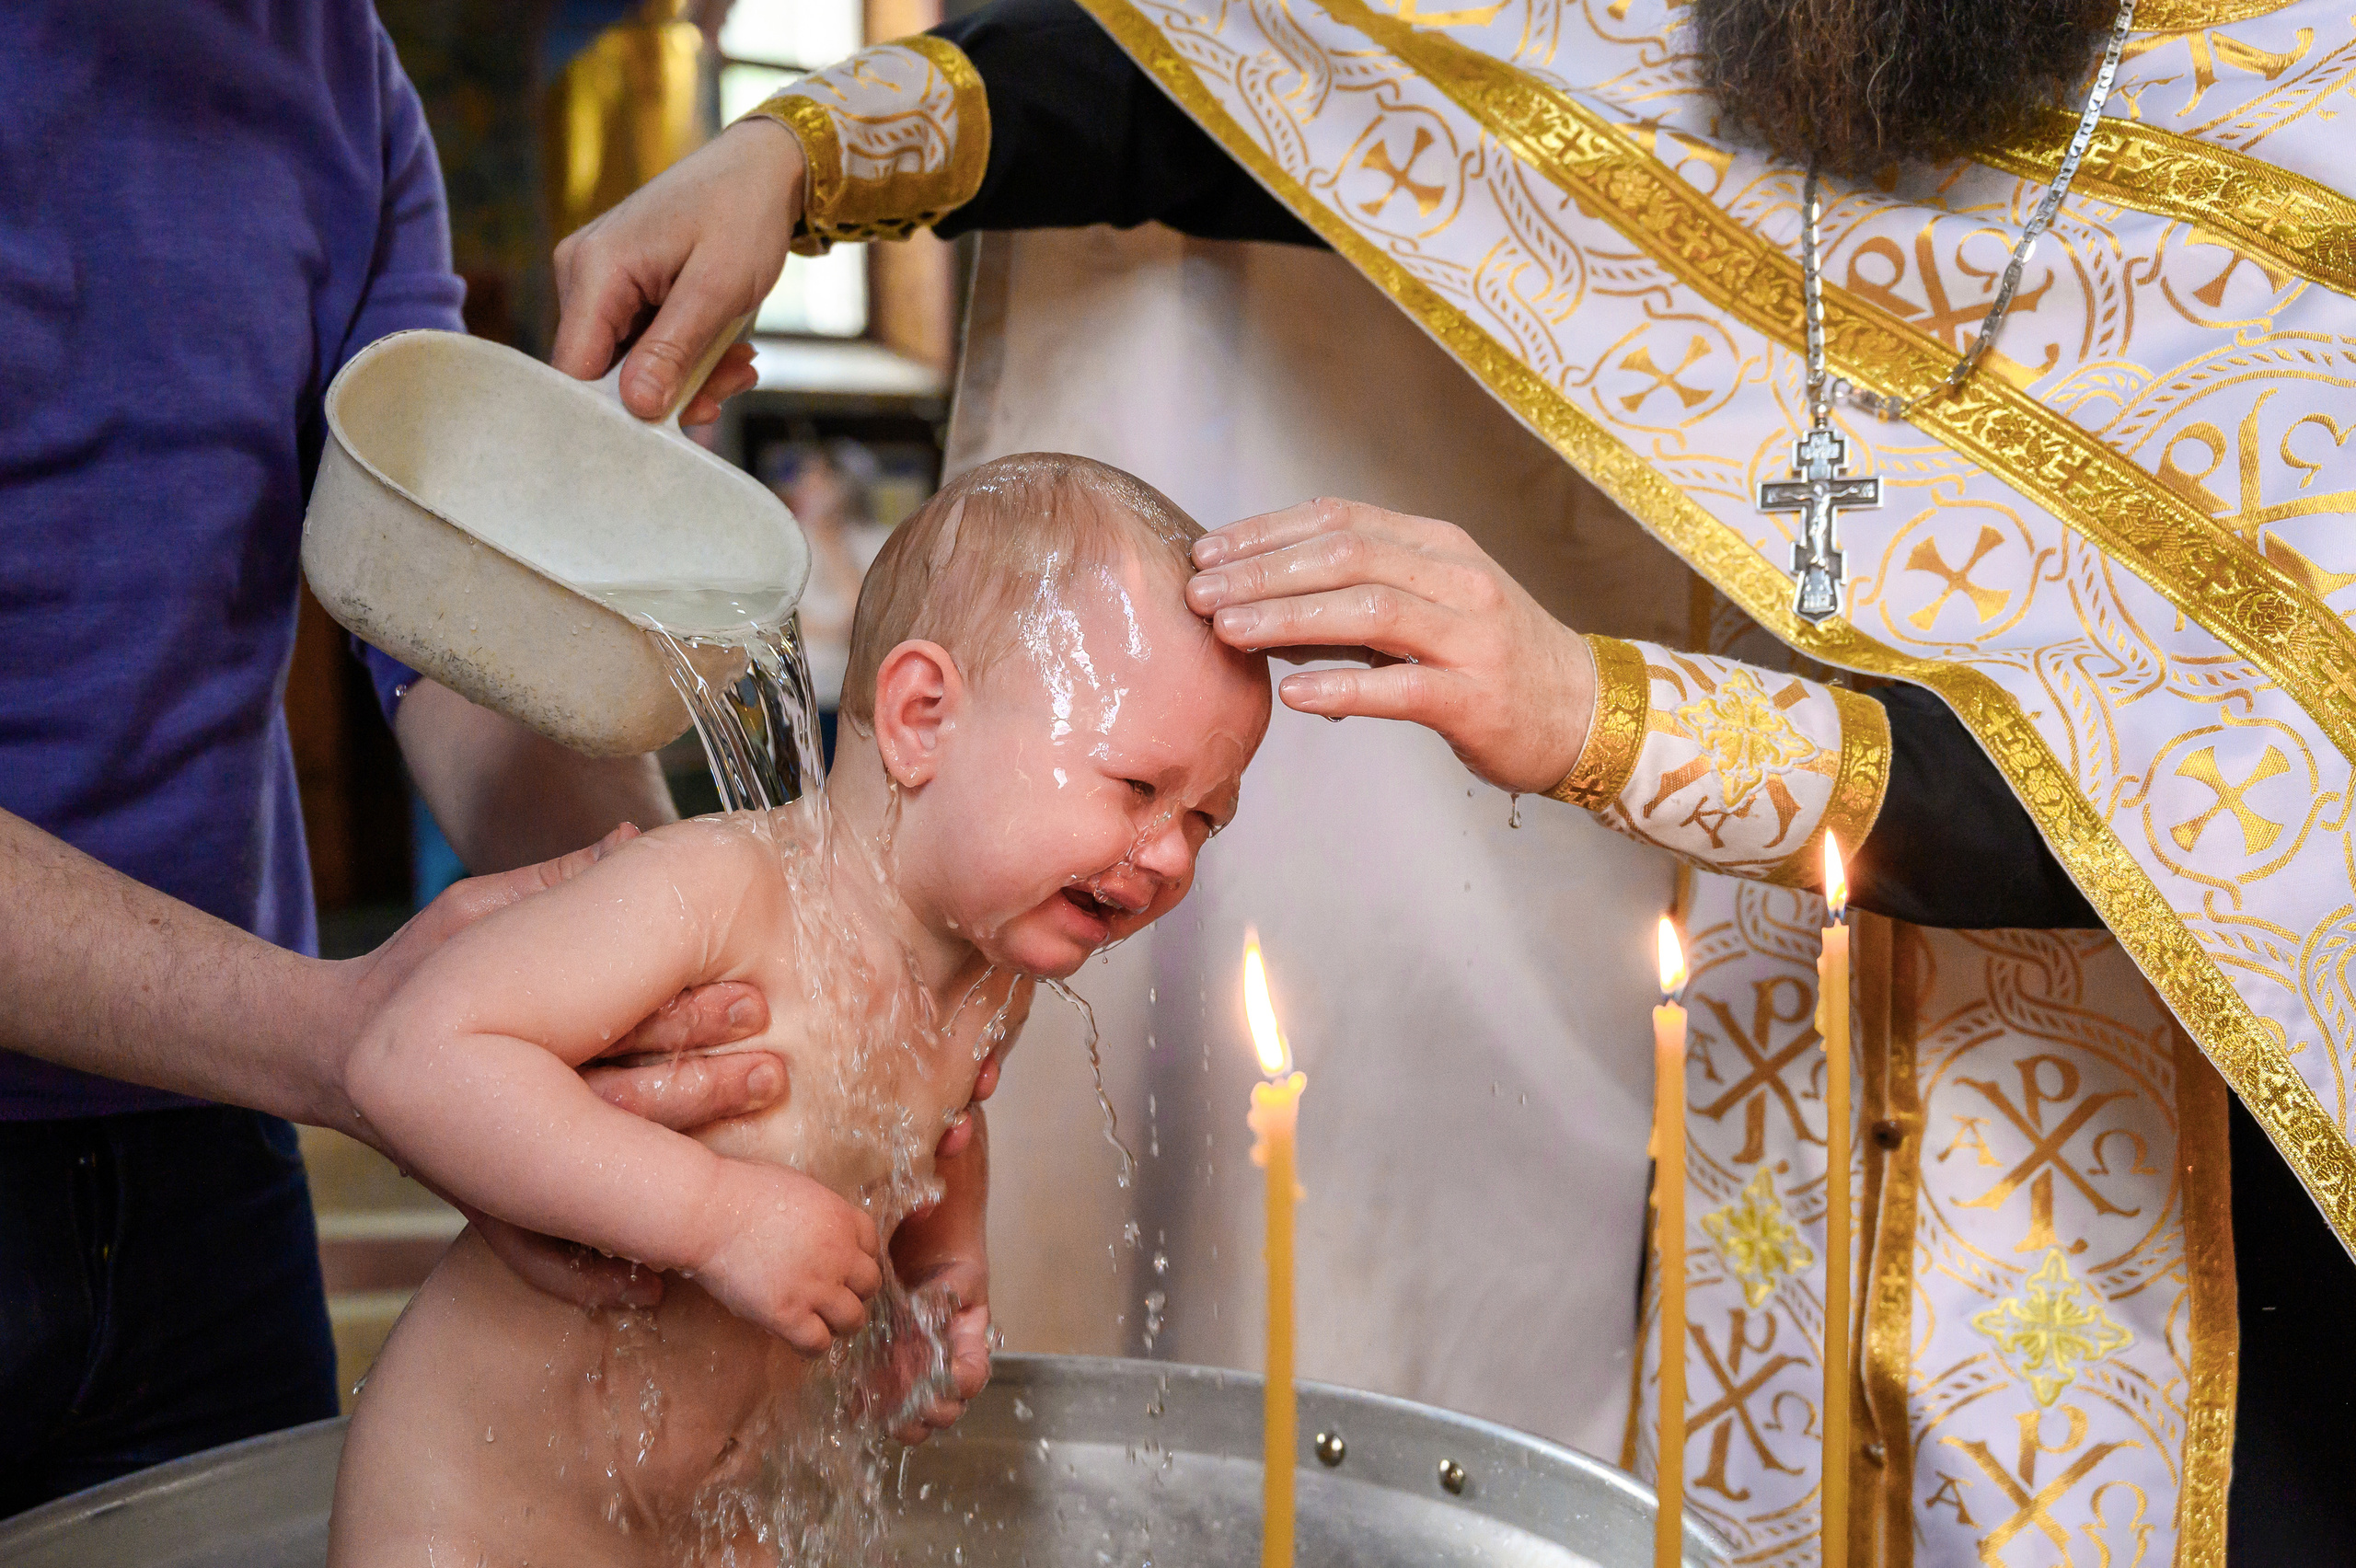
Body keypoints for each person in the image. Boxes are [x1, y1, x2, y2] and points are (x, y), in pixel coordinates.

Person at [552, 0, 2356, 1557]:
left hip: (2193, 1258)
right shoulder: (1738, 51)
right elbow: (1273, 78)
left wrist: (1594, 709)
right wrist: (802, 159)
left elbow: (2242, 789)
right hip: (1756, 1148)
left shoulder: (2298, 112)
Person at [0, 0, 845, 1515]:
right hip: (263, 1042)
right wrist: (340, 1036)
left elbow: (439, 615)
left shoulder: (332, 62)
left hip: (211, 1157)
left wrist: (673, 952)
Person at [325, 455, 1269, 1565]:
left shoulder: (994, 973)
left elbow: (936, 1135)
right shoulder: (718, 894)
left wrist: (942, 1275)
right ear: (921, 718)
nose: (1166, 856)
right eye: (1137, 788)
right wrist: (717, 1218)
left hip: (712, 1517)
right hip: (480, 1510)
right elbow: (414, 1055)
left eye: (1206, 820)